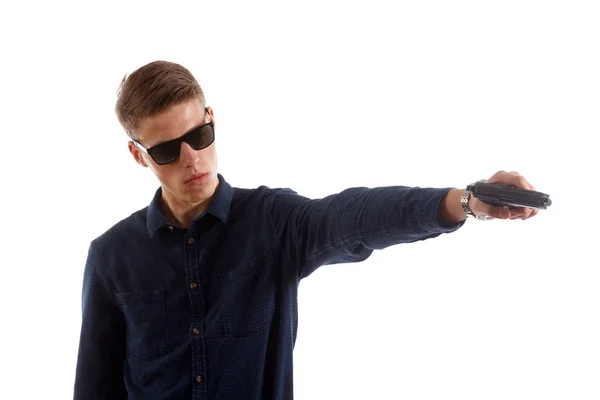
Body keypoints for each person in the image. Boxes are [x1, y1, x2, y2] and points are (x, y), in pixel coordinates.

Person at [73, 60, 539, 400]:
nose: (193, 159)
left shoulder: (272, 222)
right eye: (168, 150)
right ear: (139, 155)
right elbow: (95, 387)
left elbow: (355, 216)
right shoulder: (112, 257)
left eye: (199, 137)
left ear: (211, 120)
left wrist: (465, 201)